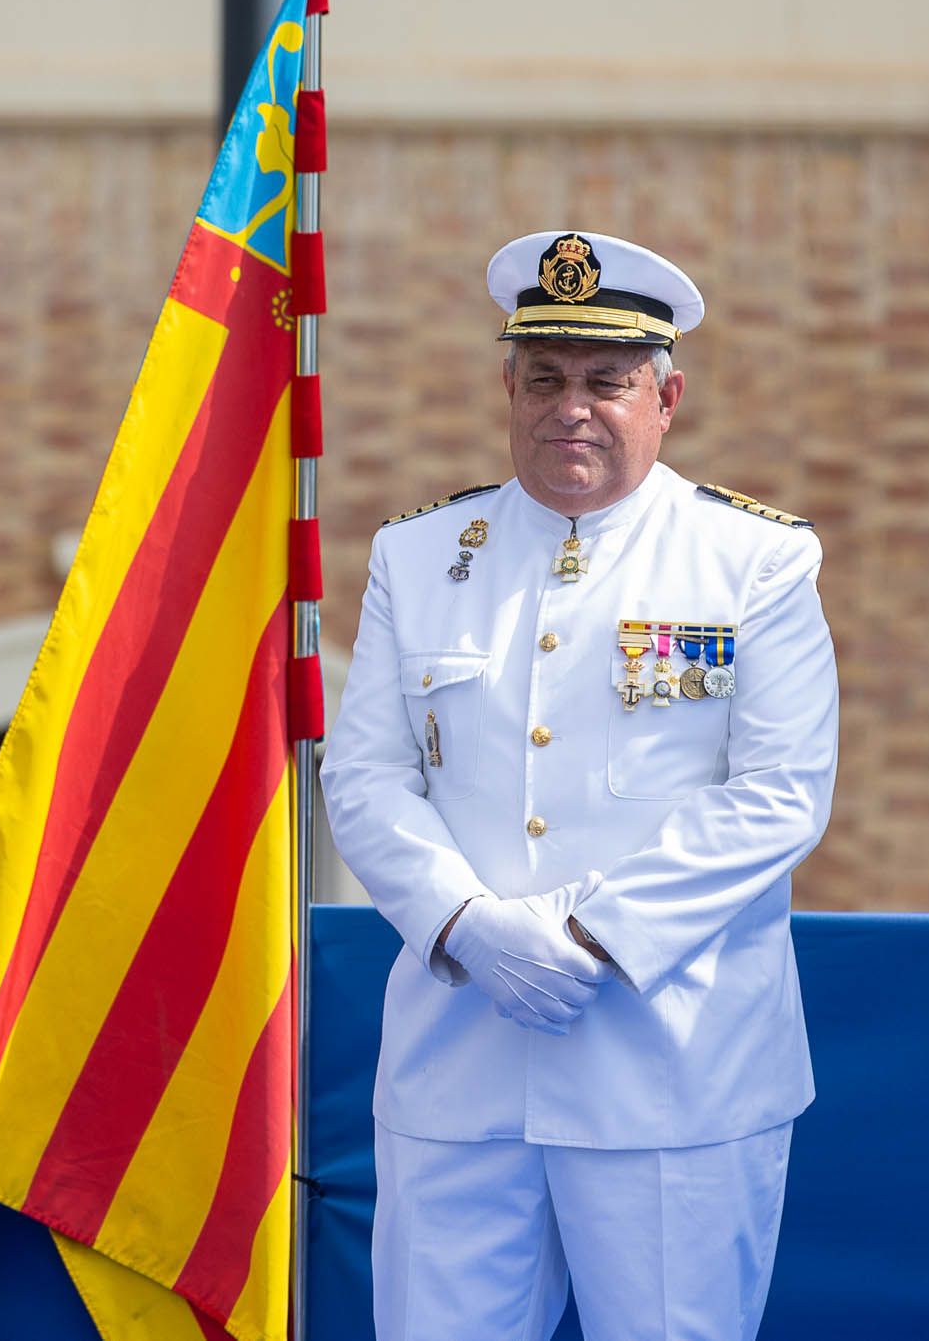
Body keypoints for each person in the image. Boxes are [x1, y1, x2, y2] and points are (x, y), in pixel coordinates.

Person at [320, 231, 838, 1341]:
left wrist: (587, 935)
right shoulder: (420, 554)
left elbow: (781, 792)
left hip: (672, 1066)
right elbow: (364, 773)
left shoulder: (751, 558)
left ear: (667, 396)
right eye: (546, 378)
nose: (574, 407)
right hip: (461, 1059)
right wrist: (467, 922)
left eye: (609, 381)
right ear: (508, 384)